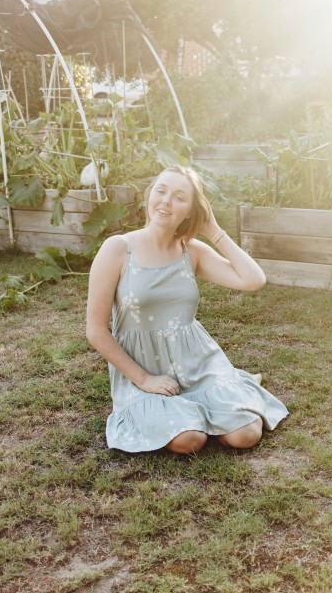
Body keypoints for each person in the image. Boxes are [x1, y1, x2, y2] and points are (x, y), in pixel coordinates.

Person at [86, 165, 288, 454]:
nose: (166, 201)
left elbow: (254, 280)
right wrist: (144, 379)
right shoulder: (118, 249)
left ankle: (223, 390)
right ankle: (205, 408)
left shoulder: (190, 251)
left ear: (191, 211)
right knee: (189, 440)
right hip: (144, 367)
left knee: (246, 435)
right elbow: (95, 330)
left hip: (197, 362)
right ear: (149, 196)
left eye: (179, 196)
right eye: (161, 191)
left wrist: (213, 230)